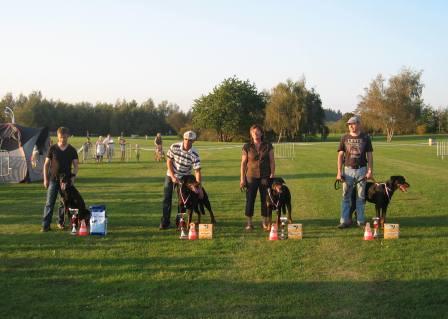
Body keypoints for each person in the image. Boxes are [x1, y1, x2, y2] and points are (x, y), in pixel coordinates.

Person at [336, 116, 373, 228]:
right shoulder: (344, 138)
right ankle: (344, 221)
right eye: (349, 124)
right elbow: (340, 155)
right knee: (346, 196)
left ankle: (360, 221)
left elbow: (370, 155)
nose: (351, 126)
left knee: (361, 197)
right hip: (348, 171)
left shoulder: (366, 137)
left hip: (362, 170)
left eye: (353, 124)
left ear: (358, 124)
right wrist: (339, 172)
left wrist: (370, 170)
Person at [160, 131, 201, 229]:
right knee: (167, 198)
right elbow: (169, 161)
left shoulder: (195, 154)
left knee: (182, 201)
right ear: (183, 138)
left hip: (185, 178)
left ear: (193, 141)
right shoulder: (174, 146)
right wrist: (173, 176)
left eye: (190, 140)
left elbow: (197, 171)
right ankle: (165, 222)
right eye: (186, 139)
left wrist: (198, 187)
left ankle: (180, 223)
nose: (187, 142)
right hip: (171, 174)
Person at [41, 127, 79, 232]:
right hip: (53, 180)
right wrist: (45, 179)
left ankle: (60, 223)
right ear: (58, 136)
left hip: (66, 181)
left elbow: (76, 165)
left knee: (64, 203)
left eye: (65, 137)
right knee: (49, 203)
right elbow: (46, 165)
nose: (63, 140)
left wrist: (73, 176)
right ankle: (45, 225)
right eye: (61, 137)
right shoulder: (52, 148)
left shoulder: (72, 150)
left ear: (68, 136)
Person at [240, 124, 275, 231]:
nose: (256, 133)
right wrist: (242, 179)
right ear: (251, 134)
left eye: (258, 131)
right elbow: (243, 163)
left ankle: (264, 222)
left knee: (265, 200)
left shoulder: (268, 145)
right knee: (250, 200)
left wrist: (272, 174)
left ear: (261, 133)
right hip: (250, 177)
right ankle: (249, 223)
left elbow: (272, 161)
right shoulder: (247, 146)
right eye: (253, 132)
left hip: (265, 177)